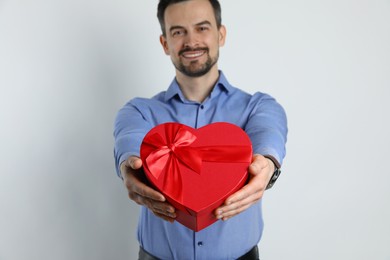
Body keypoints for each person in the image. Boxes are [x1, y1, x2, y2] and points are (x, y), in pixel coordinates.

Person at [113, 0, 288, 259]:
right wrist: (130, 166)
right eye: (178, 31)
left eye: (202, 28)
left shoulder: (258, 107)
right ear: (165, 43)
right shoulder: (139, 111)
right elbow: (129, 140)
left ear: (221, 34)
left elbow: (268, 134)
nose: (191, 41)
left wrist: (267, 165)